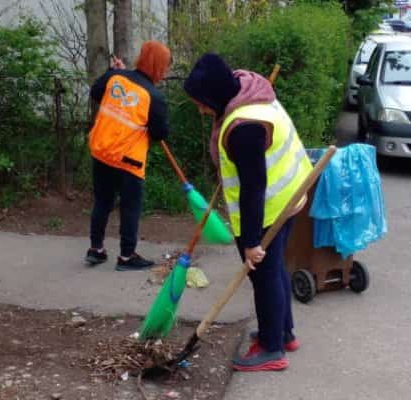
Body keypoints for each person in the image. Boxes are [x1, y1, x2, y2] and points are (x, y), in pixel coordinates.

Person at [183, 54, 312, 372]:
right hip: (291, 193)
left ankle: (271, 348)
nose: (200, 109)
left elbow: (253, 186)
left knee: (263, 276)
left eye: (201, 102)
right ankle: (283, 332)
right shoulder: (248, 88)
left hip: (270, 204)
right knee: (274, 269)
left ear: (214, 95)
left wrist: (252, 241)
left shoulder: (245, 127)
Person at [86, 41, 171, 271]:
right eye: (165, 67)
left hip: (102, 151)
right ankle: (126, 256)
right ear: (159, 67)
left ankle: (96, 250)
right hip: (128, 160)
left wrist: (116, 73)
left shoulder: (115, 77)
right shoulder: (154, 96)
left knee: (102, 201)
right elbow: (160, 133)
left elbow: (95, 93)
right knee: (130, 207)